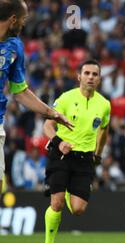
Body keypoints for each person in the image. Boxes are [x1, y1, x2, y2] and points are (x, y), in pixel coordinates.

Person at [0, 0, 72, 194]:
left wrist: (52, 113)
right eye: (23, 19)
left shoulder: (14, 47)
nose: (24, 24)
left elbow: (20, 92)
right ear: (13, 19)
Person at [42, 60, 110, 243]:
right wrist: (58, 141)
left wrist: (98, 154)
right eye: (87, 73)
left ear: (99, 79)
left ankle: (64, 191)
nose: (90, 77)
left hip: (85, 158)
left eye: (94, 74)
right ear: (79, 76)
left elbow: (104, 130)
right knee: (57, 204)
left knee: (78, 209)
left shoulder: (104, 105)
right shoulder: (65, 98)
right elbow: (47, 126)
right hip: (61, 155)